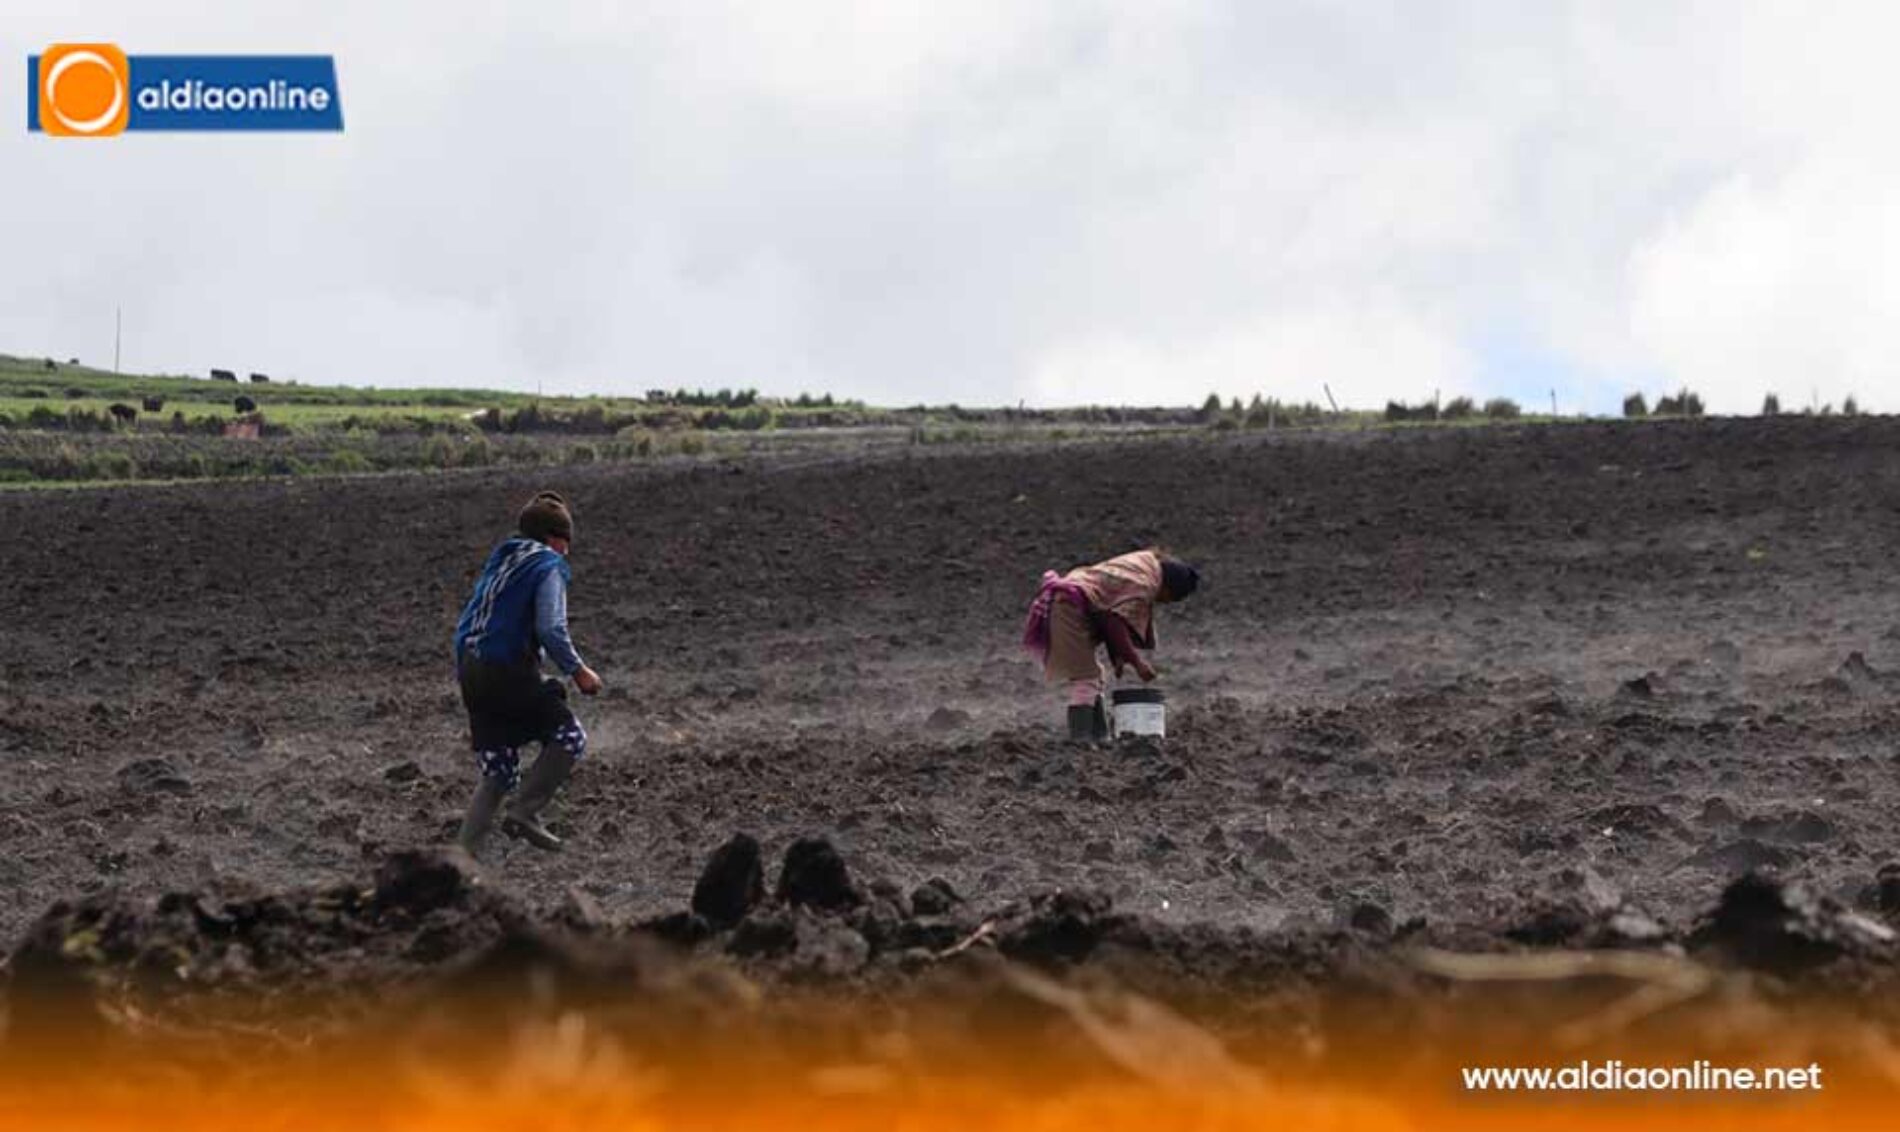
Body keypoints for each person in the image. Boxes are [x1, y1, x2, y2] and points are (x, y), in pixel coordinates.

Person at [452, 491, 603, 856]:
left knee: (498, 772)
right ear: (553, 538)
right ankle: (525, 811)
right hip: (505, 668)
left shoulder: (502, 560)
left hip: (470, 671)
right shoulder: (548, 564)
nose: (566, 551)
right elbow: (551, 627)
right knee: (569, 736)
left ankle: (458, 862)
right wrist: (578, 670)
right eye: (565, 542)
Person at [1021, 548, 1200, 741]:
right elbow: (1114, 620)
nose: (1163, 602)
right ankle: (1080, 740)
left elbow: (1107, 605)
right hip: (1068, 607)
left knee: (1095, 675)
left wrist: (1117, 656)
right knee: (1086, 678)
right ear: (1167, 588)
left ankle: (1099, 736)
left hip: (1072, 601)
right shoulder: (1143, 586)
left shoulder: (1145, 562)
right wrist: (1136, 662)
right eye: (1169, 599)